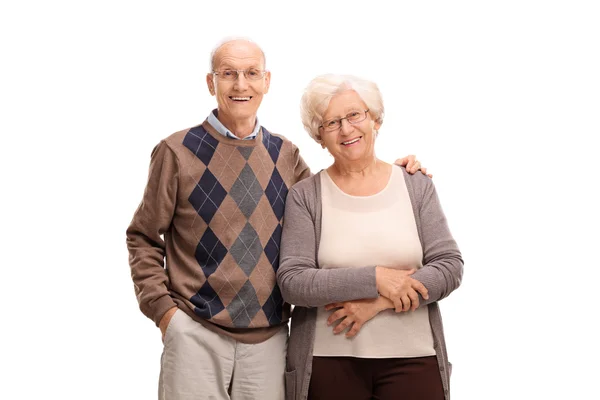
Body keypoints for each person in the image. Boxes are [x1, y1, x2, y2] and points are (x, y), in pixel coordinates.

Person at [126, 38, 426, 400]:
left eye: (251, 73)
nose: (241, 85)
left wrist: (385, 175)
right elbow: (143, 236)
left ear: (266, 81)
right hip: (195, 332)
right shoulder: (176, 151)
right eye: (228, 74)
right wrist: (165, 315)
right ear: (211, 83)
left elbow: (329, 202)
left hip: (269, 339)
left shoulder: (285, 155)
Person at [277, 74, 463, 400]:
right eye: (331, 122)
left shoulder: (415, 184)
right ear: (319, 137)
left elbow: (449, 266)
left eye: (354, 115)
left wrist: (379, 302)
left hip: (415, 357)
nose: (346, 129)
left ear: (374, 119)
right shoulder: (305, 196)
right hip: (327, 360)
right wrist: (376, 278)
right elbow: (294, 281)